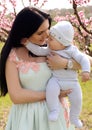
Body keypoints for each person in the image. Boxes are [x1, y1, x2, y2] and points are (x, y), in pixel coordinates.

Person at [0, 7, 77, 130]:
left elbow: (87, 60)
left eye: (48, 29)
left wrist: (65, 63)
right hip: (27, 116)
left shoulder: (54, 46)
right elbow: (16, 96)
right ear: (25, 32)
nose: (46, 36)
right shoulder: (13, 55)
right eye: (40, 33)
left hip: (55, 114)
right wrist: (52, 94)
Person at [45, 21, 90, 128]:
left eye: (51, 39)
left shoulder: (72, 50)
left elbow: (84, 59)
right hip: (56, 80)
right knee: (51, 90)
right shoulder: (49, 49)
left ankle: (74, 117)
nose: (47, 40)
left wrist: (86, 71)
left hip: (73, 82)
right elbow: (38, 50)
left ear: (62, 42)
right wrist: (28, 44)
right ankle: (54, 110)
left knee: (77, 100)